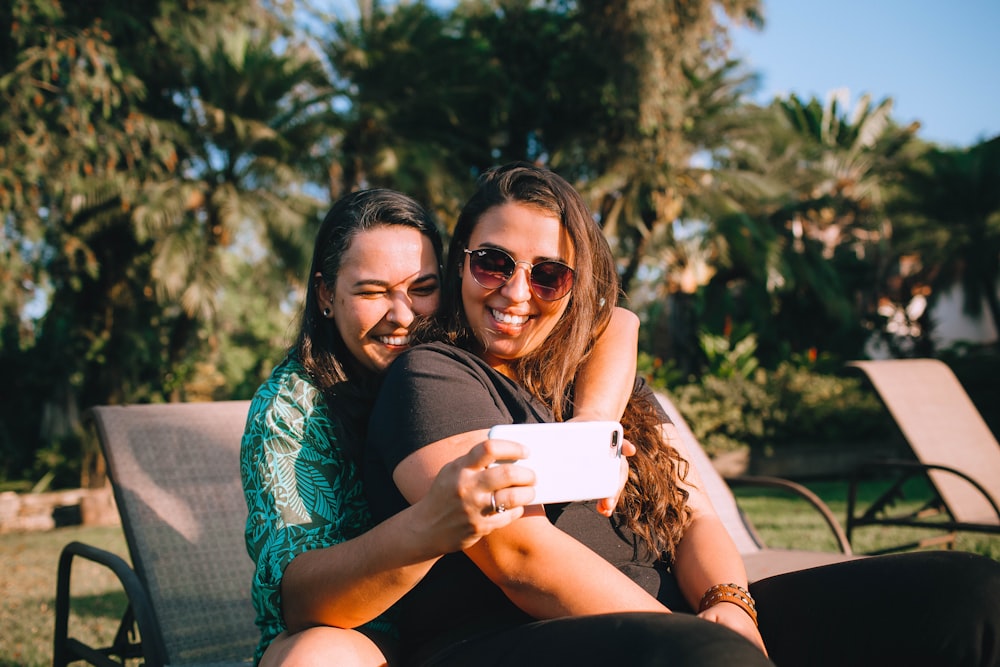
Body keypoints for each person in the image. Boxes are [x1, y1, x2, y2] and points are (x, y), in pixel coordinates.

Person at [364, 162, 1000, 667]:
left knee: (969, 595)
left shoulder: (606, 383)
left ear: (577, 286)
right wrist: (702, 640)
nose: (515, 290)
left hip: (674, 629)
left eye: (549, 275)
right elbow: (520, 557)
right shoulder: (434, 376)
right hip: (505, 637)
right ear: (460, 263)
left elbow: (693, 513)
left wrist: (732, 608)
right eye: (492, 262)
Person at [240, 188, 642, 666]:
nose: (403, 316)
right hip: (359, 629)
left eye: (422, 289)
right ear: (326, 294)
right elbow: (300, 600)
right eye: (372, 292)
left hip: (466, 623)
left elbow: (614, 319)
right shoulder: (294, 410)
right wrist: (428, 527)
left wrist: (594, 423)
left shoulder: (460, 351)